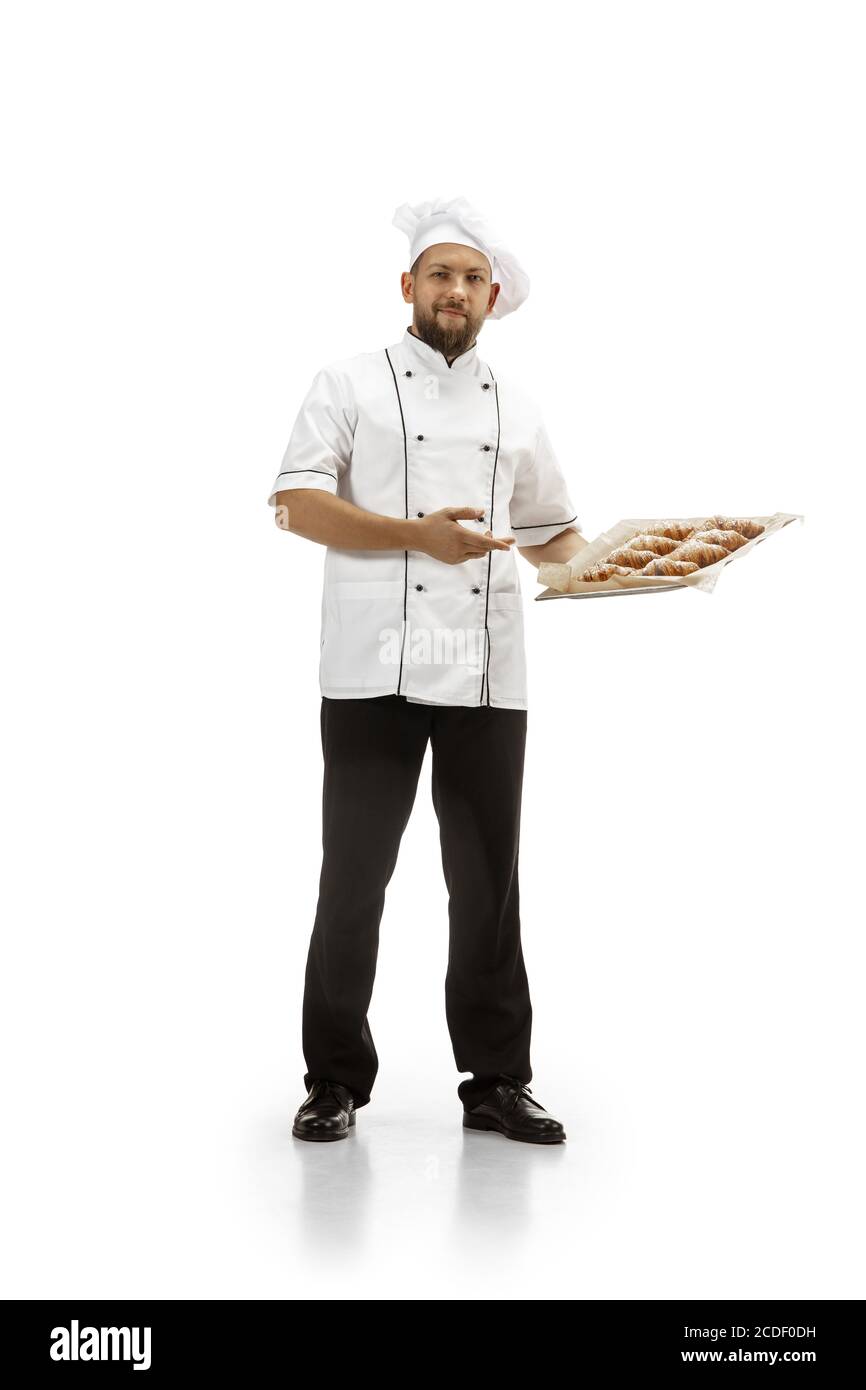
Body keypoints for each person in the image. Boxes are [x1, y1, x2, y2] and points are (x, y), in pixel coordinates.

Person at [268, 195, 589, 1144]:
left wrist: (636, 566)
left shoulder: (518, 409)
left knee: (490, 882)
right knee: (354, 878)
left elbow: (551, 536)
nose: (456, 291)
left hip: (487, 672)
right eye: (440, 275)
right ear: (408, 286)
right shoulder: (348, 383)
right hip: (371, 669)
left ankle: (496, 1080)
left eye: (472, 279)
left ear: (494, 298)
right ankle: (333, 1080)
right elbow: (293, 503)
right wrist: (416, 538)